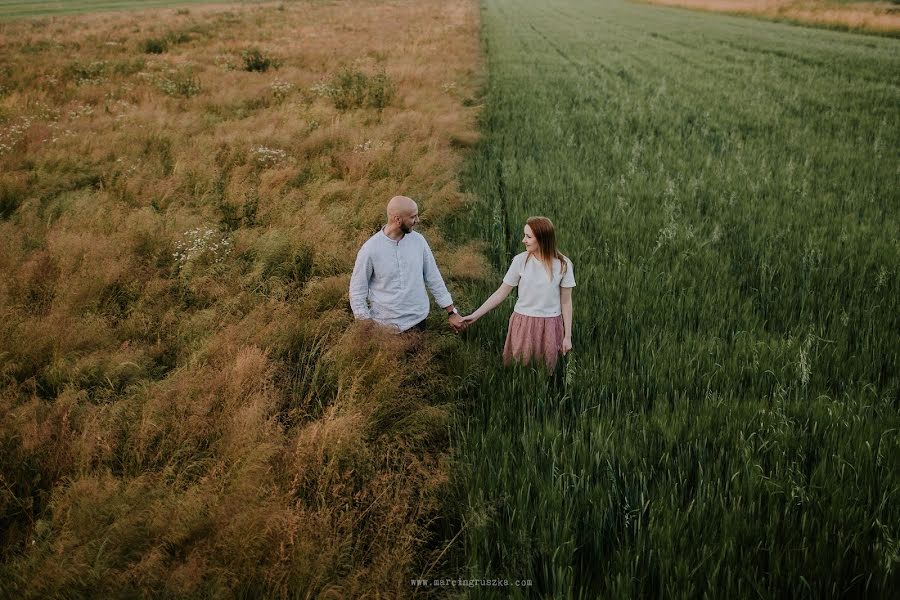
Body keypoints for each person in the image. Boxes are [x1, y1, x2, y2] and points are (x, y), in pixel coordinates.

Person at [462, 216, 574, 369]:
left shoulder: (563, 264)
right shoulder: (520, 261)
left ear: (542, 238)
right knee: (520, 369)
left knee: (546, 372)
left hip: (550, 325)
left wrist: (567, 336)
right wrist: (475, 315)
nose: (523, 240)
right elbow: (501, 293)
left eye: (528, 236)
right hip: (523, 323)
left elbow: (566, 302)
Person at [349, 195, 465, 333]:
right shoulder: (370, 249)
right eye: (413, 217)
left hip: (418, 322)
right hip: (384, 328)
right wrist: (364, 323)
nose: (417, 220)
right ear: (397, 219)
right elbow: (357, 290)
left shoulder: (419, 241)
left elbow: (433, 277)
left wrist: (451, 312)